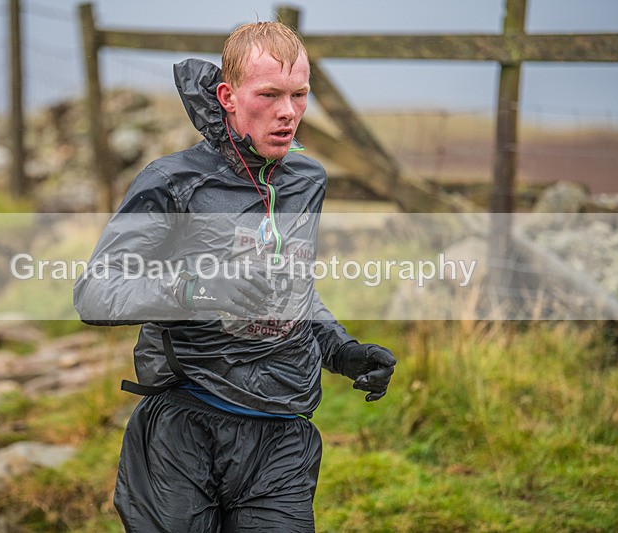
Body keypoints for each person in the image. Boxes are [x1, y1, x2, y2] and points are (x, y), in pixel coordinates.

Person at [74, 21, 396, 532]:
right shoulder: (172, 183)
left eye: (299, 95)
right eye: (269, 94)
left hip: (281, 436)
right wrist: (198, 289)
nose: (287, 112)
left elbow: (293, 291)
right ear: (227, 95)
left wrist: (342, 349)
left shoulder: (306, 180)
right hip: (185, 426)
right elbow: (96, 291)